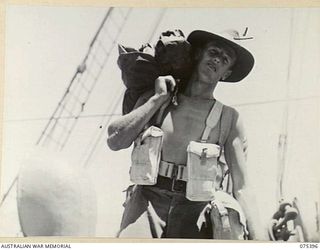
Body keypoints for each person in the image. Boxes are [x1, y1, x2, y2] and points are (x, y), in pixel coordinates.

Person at [107, 29, 266, 240]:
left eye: (224, 59)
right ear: (199, 54)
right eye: (213, 52)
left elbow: (242, 186)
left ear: (226, 73)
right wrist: (157, 99)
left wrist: (262, 241)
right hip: (146, 203)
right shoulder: (158, 97)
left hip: (195, 211)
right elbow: (115, 140)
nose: (217, 59)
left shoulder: (229, 118)